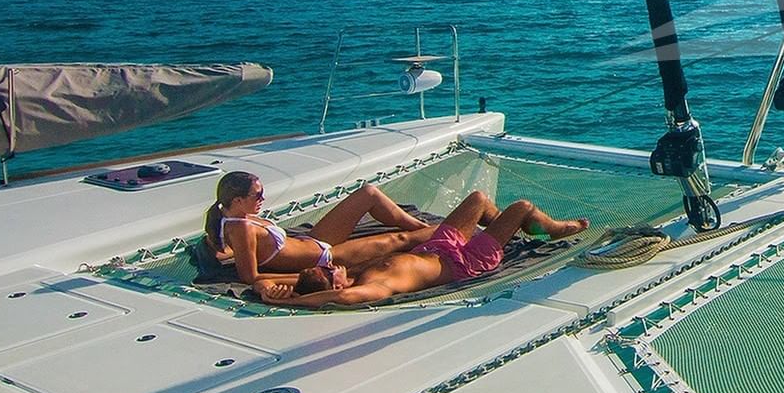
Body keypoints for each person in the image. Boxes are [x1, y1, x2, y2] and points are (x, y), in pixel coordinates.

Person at [265, 191, 588, 308]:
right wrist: (297, 302)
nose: (331, 265)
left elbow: (262, 281)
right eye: (328, 272)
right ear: (334, 286)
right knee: (522, 206)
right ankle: (552, 228)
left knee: (478, 200)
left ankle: (511, 229)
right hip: (465, 263)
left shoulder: (350, 274)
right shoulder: (371, 287)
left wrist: (274, 292)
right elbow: (340, 299)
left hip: (438, 247)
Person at [200, 170, 444, 293]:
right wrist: (300, 277)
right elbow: (249, 277)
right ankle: (451, 232)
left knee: (368, 194)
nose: (263, 199)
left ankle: (426, 228)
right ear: (238, 200)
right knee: (399, 239)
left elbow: (228, 249)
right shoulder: (241, 227)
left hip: (313, 240)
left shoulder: (232, 217)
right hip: (323, 258)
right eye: (258, 195)